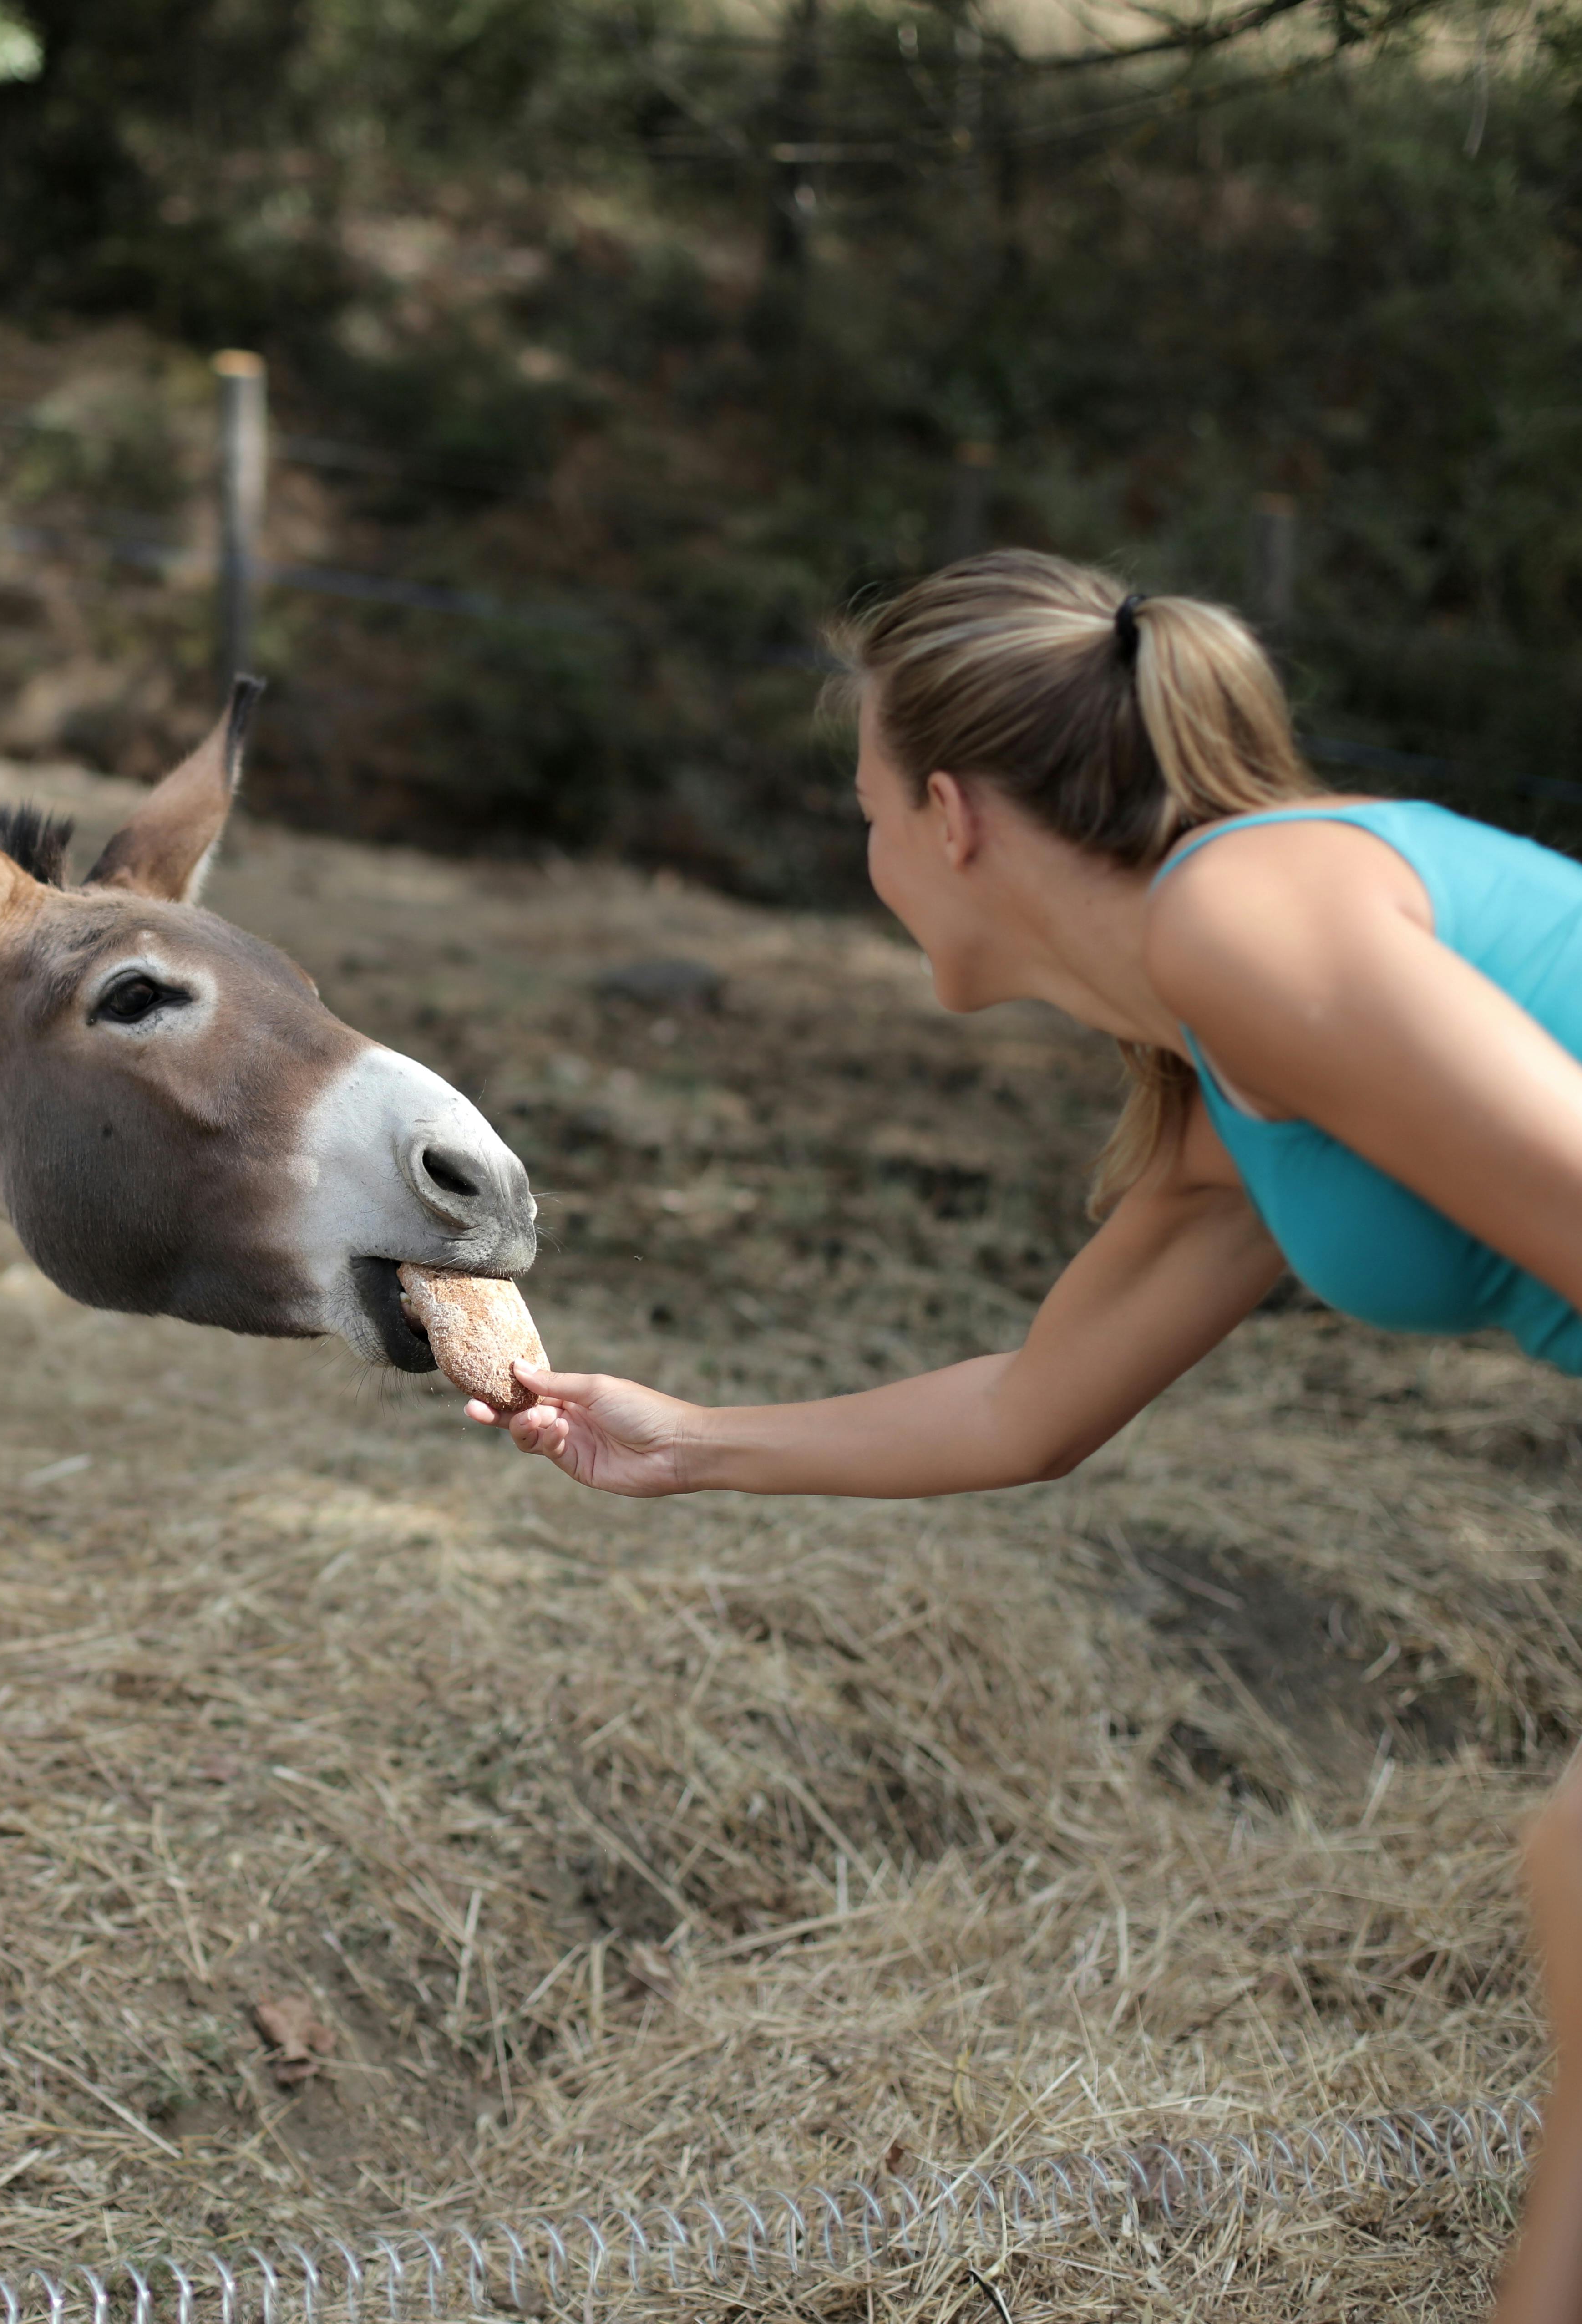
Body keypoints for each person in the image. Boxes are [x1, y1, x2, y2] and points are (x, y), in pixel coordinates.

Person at [469, 548, 1582, 2321]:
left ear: (944, 815)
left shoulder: (1253, 916)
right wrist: (682, 1438)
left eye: (858, 810)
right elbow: (1029, 1402)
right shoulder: (1233, 1052)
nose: (864, 859)